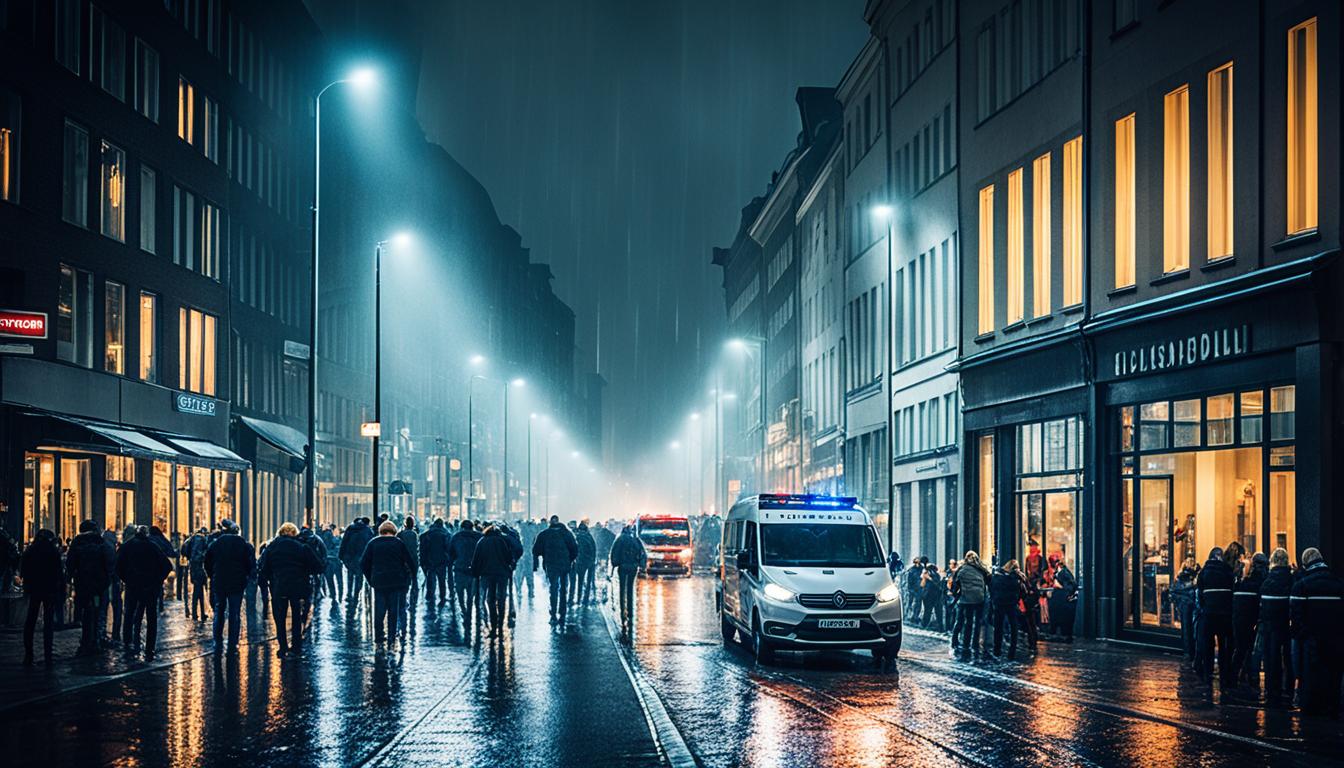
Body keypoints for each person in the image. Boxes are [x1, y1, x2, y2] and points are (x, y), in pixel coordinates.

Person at [258, 522, 325, 659]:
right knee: (297, 617)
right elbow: (318, 566)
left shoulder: (271, 547)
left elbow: (263, 567)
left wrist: (270, 579)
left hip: (279, 586)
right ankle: (296, 647)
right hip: (298, 587)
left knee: (280, 618)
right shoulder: (302, 547)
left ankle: (282, 647)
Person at [1291, 547, 1344, 715]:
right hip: (1336, 639)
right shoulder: (1338, 584)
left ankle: (1314, 709)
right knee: (1334, 675)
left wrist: (1304, 635)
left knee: (1312, 676)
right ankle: (1333, 706)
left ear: (1305, 564)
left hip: (1312, 640)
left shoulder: (1302, 585)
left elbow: (1296, 616)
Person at [116, 526, 173, 660]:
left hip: (133, 586)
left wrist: (127, 579)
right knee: (151, 617)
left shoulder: (127, 546)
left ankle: (128, 642)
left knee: (129, 614)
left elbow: (118, 567)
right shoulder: (152, 546)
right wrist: (157, 581)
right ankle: (149, 647)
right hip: (149, 587)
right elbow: (167, 566)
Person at [203, 520, 256, 654]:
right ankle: (233, 643)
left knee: (219, 610)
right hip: (237, 582)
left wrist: (212, 575)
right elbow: (249, 564)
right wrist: (246, 576)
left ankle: (217, 641)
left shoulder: (216, 544)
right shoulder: (243, 544)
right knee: (234, 612)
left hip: (220, 580)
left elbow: (207, 562)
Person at [361, 521, 415, 646]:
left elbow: (363, 563)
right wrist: (407, 578)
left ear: (381, 531)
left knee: (379, 610)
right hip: (396, 581)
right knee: (393, 610)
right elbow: (410, 563)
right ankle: (391, 636)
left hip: (379, 582)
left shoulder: (373, 543)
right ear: (394, 531)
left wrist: (371, 579)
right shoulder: (399, 543)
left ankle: (379, 636)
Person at [66, 519, 115, 655]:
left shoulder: (77, 542)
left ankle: (86, 641)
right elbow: (110, 562)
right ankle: (96, 641)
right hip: (99, 587)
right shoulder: (101, 542)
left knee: (86, 612)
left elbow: (70, 563)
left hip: (83, 585)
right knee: (98, 611)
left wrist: (72, 578)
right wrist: (106, 580)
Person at [20, 529, 63, 664]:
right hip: (49, 589)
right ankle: (48, 655)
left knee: (30, 620)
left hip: (34, 589)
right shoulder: (53, 552)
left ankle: (28, 654)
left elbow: (23, 570)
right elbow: (58, 572)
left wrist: (27, 585)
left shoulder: (30, 551)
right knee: (48, 622)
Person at [1195, 546, 1236, 689]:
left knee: (1208, 644)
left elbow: (1199, 593)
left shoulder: (1204, 572)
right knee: (1224, 645)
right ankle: (1224, 673)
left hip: (1209, 613)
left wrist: (1204, 606)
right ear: (1220, 557)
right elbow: (1233, 590)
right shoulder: (1227, 571)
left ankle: (1208, 672)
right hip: (1225, 614)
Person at [1259, 548, 1294, 704]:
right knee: (1288, 657)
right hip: (1286, 624)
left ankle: (1272, 689)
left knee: (1271, 657)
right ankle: (1289, 689)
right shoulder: (1292, 579)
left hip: (1269, 625)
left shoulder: (1267, 580)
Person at [470, 524, 515, 638]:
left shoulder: (482, 541)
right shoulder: (502, 541)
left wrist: (475, 573)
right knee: (501, 599)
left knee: (490, 600)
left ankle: (493, 627)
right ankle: (500, 626)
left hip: (487, 574)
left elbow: (476, 559)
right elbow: (509, 557)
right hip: (502, 574)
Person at [532, 515, 578, 625]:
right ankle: (562, 613)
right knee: (563, 589)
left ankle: (553, 614)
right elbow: (575, 549)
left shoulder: (544, 534)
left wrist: (537, 563)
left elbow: (535, 550)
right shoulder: (567, 534)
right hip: (564, 565)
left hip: (551, 565)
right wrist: (570, 560)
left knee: (553, 588)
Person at [1231, 551, 1268, 688]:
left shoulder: (1244, 583)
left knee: (1241, 649)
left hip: (1242, 620)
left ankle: (1235, 677)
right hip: (1257, 620)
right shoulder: (1264, 581)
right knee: (1255, 651)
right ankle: (1252, 678)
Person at [951, 551, 989, 657]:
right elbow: (988, 580)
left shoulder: (962, 569)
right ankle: (975, 644)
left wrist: (955, 595)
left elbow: (955, 584)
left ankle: (965, 644)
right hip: (979, 599)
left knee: (967, 622)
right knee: (977, 622)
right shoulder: (981, 569)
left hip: (966, 599)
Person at [610, 524, 646, 633]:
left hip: (623, 567)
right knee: (630, 590)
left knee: (622, 590)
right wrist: (641, 565)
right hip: (633, 567)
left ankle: (623, 613)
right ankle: (630, 613)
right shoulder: (635, 540)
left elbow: (614, 553)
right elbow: (643, 553)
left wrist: (615, 564)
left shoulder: (620, 539)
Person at [448, 520, 483, 628]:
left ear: (462, 527)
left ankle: (463, 610)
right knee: (470, 594)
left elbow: (451, 553)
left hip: (460, 568)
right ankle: (468, 611)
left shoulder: (456, 537)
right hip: (474, 570)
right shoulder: (479, 537)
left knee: (460, 592)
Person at [990, 559, 1024, 659]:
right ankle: (1011, 652)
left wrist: (994, 600)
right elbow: (1019, 590)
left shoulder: (997, 576)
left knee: (998, 627)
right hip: (1011, 604)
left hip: (999, 603)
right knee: (1013, 627)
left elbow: (992, 589)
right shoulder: (1015, 578)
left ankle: (997, 650)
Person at [339, 517, 375, 608]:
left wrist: (341, 556)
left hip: (349, 557)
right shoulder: (367, 530)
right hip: (361, 558)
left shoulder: (350, 528)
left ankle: (349, 593)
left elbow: (344, 542)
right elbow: (370, 545)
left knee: (350, 575)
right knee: (359, 577)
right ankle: (356, 595)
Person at [297, 524, 327, 630]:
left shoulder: (297, 539)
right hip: (314, 566)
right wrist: (322, 565)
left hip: (301, 570)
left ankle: (301, 614)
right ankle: (307, 611)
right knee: (311, 590)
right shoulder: (316, 539)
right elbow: (324, 552)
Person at [419, 518, 450, 611]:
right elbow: (448, 548)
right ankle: (442, 596)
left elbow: (422, 549)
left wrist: (423, 562)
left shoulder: (427, 534)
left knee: (430, 580)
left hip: (430, 561)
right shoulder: (445, 534)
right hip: (441, 561)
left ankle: (430, 596)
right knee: (442, 580)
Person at [397, 516, 420, 633]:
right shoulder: (414, 534)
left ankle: (404, 599)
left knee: (404, 582)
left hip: (403, 561)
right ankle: (413, 599)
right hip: (413, 560)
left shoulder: (401, 534)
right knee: (414, 579)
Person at [1047, 555, 1077, 641]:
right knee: (1057, 616)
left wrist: (1061, 586)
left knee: (1062, 617)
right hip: (1059, 599)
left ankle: (1064, 635)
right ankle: (1059, 634)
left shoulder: (1064, 572)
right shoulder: (1060, 572)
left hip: (1062, 599)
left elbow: (1072, 585)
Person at [183, 527, 210, 621]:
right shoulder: (201, 539)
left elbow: (185, 551)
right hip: (199, 566)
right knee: (198, 590)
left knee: (198, 590)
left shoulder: (192, 539)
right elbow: (202, 554)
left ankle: (198, 613)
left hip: (193, 566)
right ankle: (198, 613)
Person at [103, 527, 124, 644]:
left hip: (105, 583)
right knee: (117, 608)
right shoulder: (113, 549)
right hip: (112, 583)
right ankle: (115, 634)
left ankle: (102, 634)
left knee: (103, 609)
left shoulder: (103, 546)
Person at [573, 521, 597, 605]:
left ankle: (579, 599)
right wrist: (593, 560)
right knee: (589, 581)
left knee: (580, 581)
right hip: (590, 562)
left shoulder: (577, 537)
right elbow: (594, 549)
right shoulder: (590, 537)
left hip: (581, 562)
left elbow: (575, 550)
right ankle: (585, 599)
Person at [318, 523, 342, 605]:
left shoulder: (321, 539)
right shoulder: (336, 539)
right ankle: (340, 596)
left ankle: (333, 595)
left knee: (330, 580)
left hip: (327, 561)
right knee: (339, 580)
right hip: (335, 560)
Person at [920, 564, 945, 631]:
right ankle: (924, 625)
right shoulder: (926, 575)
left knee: (937, 612)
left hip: (935, 596)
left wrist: (929, 578)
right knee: (928, 611)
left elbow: (937, 584)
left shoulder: (936, 576)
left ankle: (940, 627)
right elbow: (922, 585)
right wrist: (924, 578)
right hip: (929, 596)